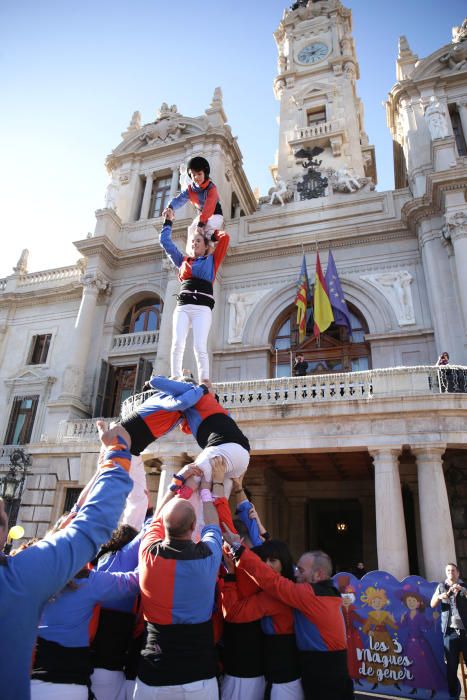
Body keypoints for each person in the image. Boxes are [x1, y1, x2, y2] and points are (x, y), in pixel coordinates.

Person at [0, 421, 133, 700]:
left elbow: (74, 519)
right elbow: (89, 527)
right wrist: (117, 454)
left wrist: (101, 468)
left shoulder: (21, 571)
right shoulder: (19, 579)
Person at [133, 458, 224, 699]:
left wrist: (178, 481)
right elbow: (214, 525)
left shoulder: (147, 552)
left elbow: (156, 518)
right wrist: (205, 490)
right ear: (194, 525)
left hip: (153, 673)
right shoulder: (208, 556)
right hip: (199, 676)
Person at [223, 537, 353, 700]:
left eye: (300, 570)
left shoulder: (305, 595)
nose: (296, 572)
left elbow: (271, 582)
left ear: (318, 574)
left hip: (299, 679)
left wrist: (232, 570)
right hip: (315, 674)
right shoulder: (328, 593)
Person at [31, 562, 139, 700]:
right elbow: (134, 581)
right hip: (70, 686)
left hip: (28, 683)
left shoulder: (23, 582)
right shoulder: (87, 582)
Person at [221, 539, 303, 700]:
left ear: (284, 563)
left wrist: (230, 576)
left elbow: (233, 613)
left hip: (284, 679)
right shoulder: (291, 587)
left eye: (273, 560)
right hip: (283, 674)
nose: (266, 565)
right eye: (263, 561)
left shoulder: (277, 596)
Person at [159, 207, 229, 382]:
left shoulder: (212, 260)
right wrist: (168, 221)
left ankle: (205, 380)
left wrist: (208, 233)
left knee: (199, 346)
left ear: (206, 246)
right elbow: (165, 242)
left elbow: (224, 237)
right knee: (177, 344)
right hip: (183, 307)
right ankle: (175, 377)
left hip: (202, 309)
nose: (194, 243)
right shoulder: (183, 261)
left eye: (198, 241)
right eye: (192, 242)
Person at [162, 156, 224, 251]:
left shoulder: (211, 188)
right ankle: (192, 257)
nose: (196, 177)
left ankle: (211, 249)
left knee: (208, 231)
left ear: (205, 173)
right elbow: (179, 199)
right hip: (202, 217)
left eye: (199, 174)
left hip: (214, 215)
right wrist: (170, 207)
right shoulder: (190, 190)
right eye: (193, 175)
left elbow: (209, 207)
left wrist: (201, 224)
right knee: (191, 230)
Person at [431, 563, 467, 700]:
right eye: (448, 571)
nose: (450, 572)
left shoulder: (464, 586)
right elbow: (432, 603)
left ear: (458, 573)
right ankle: (453, 695)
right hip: (449, 632)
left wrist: (463, 590)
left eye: (453, 570)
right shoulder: (441, 586)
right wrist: (440, 597)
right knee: (452, 666)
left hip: (465, 631)